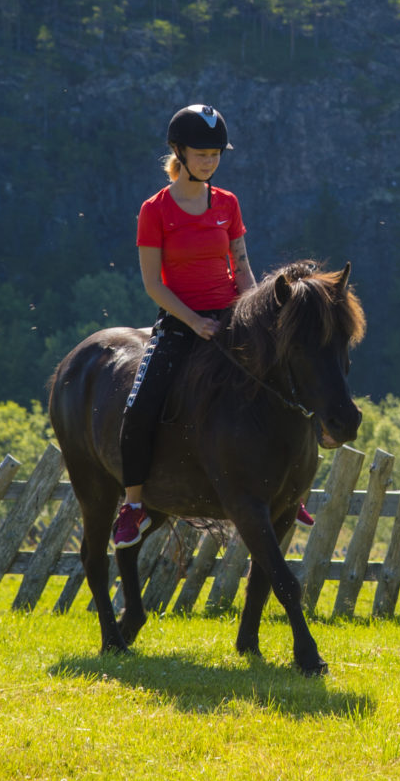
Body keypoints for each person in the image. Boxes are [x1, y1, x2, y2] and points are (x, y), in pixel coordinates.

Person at [115, 104, 311, 547]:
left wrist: (255, 316)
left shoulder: (228, 204)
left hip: (231, 319)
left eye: (216, 154)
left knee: (289, 385)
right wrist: (195, 322)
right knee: (140, 406)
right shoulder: (155, 210)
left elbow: (242, 269)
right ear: (179, 153)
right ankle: (133, 506)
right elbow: (153, 285)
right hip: (181, 323)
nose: (210, 161)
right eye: (202, 153)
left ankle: (291, 488)